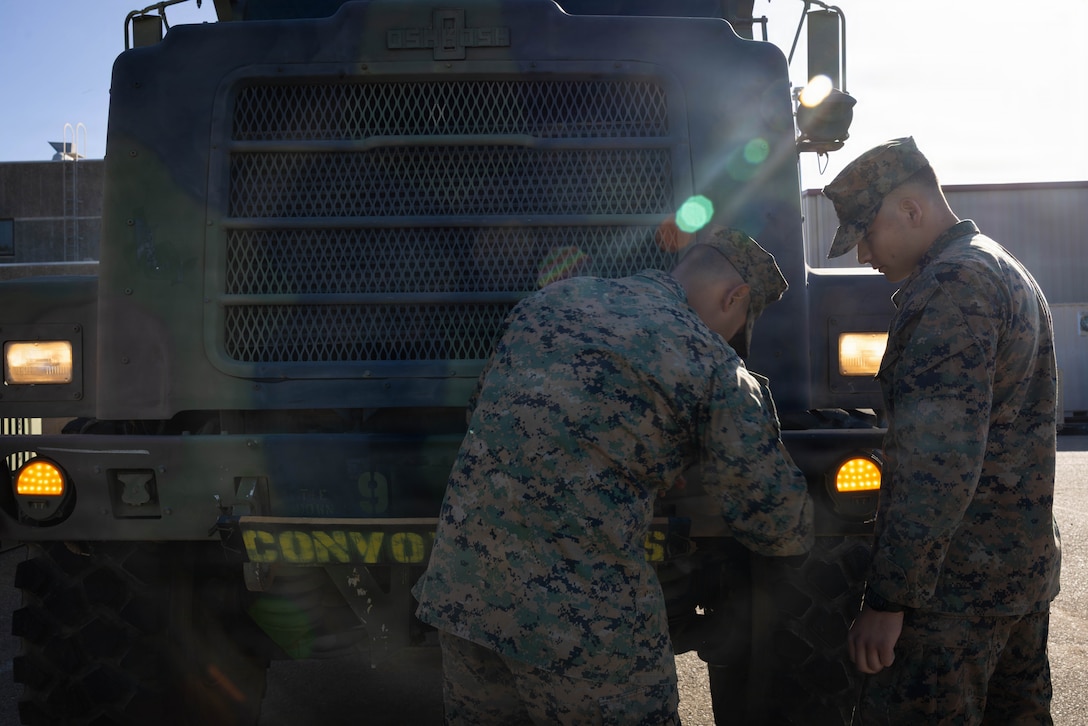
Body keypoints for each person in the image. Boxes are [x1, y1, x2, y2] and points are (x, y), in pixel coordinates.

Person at [412, 226, 815, 724]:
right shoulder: (712, 364)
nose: (731, 339)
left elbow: (488, 416)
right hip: (581, 627)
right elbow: (776, 522)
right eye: (738, 327)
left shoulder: (554, 300)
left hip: (465, 597)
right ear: (736, 297)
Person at [823, 137, 1062, 724]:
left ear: (911, 210)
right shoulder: (1003, 268)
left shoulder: (952, 287)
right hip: (1015, 581)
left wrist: (889, 599)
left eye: (867, 234)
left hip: (951, 599)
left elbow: (938, 463)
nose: (863, 257)